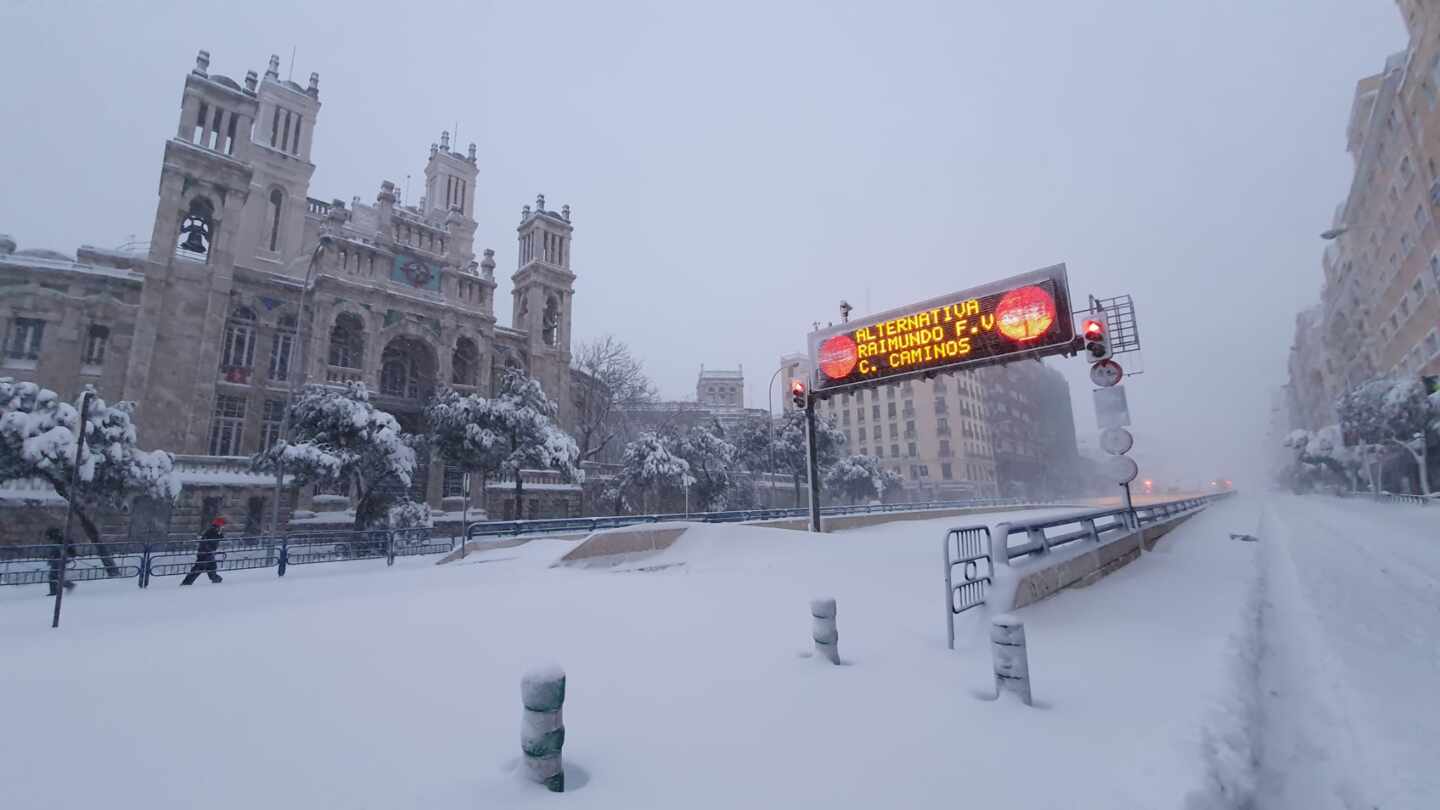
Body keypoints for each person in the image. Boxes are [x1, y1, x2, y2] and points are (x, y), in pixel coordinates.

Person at [181, 517, 225, 585]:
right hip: (204, 553)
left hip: (208, 553)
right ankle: (186, 582)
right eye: (222, 526)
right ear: (219, 525)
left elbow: (220, 538)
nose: (223, 527)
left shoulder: (215, 531)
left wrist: (220, 533)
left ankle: (216, 579)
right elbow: (205, 542)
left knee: (212, 567)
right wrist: (209, 550)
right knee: (199, 568)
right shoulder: (211, 532)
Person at [44, 527, 78, 597]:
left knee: (53, 575)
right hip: (61, 558)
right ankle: (65, 586)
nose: (48, 537)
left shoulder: (60, 539)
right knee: (54, 575)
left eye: (48, 535)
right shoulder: (60, 538)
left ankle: (63, 587)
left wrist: (52, 558)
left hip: (61, 559)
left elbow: (57, 550)